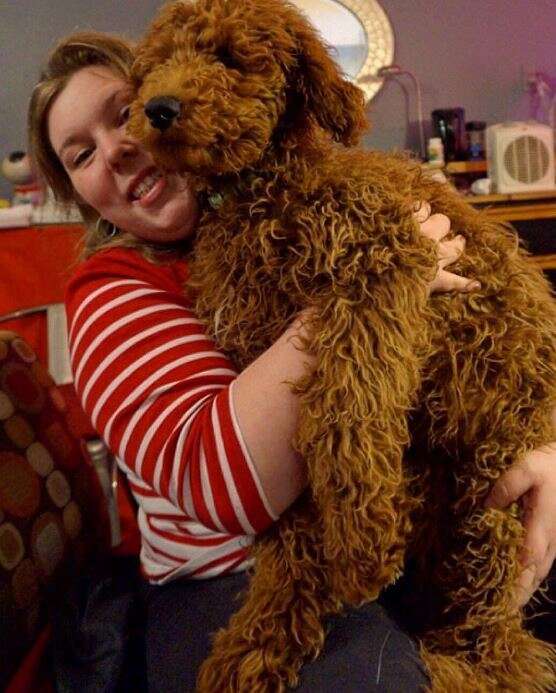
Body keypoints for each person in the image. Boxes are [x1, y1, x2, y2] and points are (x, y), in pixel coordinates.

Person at [28, 32, 556, 692]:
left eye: (123, 110)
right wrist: (371, 283)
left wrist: (543, 444)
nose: (116, 148)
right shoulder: (113, 293)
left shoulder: (310, 206)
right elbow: (227, 492)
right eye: (81, 154)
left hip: (410, 517)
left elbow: (497, 326)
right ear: (79, 193)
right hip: (230, 575)